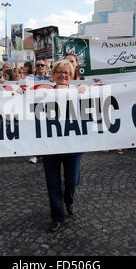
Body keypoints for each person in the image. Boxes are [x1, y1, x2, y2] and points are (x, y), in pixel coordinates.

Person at [41, 59, 85, 232]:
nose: (63, 75)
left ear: (71, 76)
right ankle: (57, 216)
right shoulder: (43, 93)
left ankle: (69, 199)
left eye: (66, 72)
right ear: (53, 75)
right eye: (59, 72)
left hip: (73, 147)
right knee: (53, 183)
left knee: (72, 181)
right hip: (49, 147)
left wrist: (85, 91)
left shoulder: (78, 91)